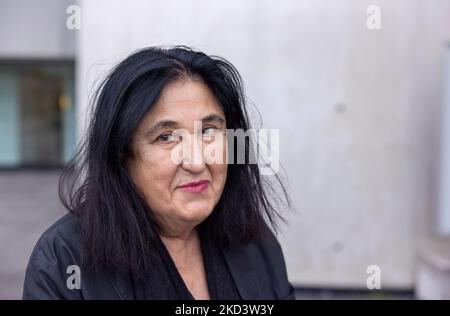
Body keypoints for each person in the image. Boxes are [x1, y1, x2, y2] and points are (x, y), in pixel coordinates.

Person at [22, 46, 294, 300]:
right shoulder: (64, 259)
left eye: (209, 131)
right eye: (166, 137)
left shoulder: (252, 239)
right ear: (122, 154)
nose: (196, 162)